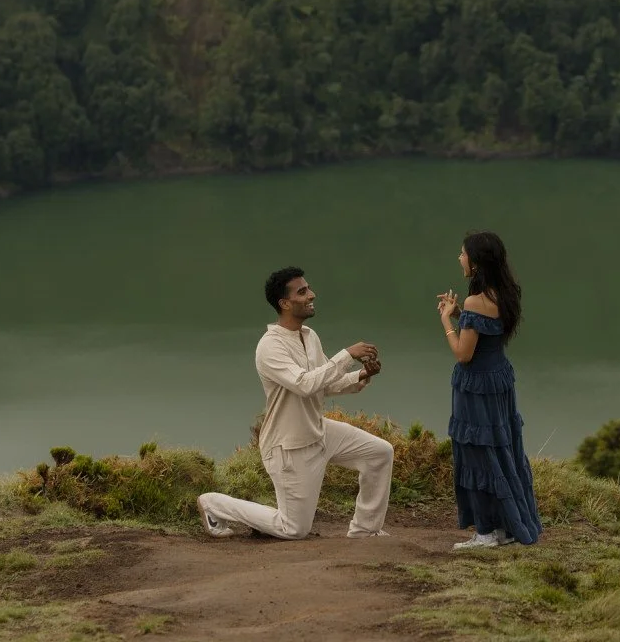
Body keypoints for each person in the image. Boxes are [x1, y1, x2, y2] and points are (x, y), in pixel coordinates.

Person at [196, 266, 393, 540]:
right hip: (289, 446)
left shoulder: (309, 336)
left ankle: (365, 530)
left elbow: (326, 383)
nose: (311, 294)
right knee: (293, 529)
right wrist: (347, 354)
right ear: (285, 303)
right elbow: (304, 384)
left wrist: (361, 374)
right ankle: (213, 503)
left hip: (318, 431)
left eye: (308, 288)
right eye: (302, 292)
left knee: (379, 453)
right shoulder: (269, 346)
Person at [436, 231, 542, 550]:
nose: (460, 258)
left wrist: (446, 320)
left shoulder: (475, 301)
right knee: (501, 449)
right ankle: (506, 526)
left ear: (477, 262)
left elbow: (464, 354)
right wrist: (461, 314)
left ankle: (485, 532)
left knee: (477, 453)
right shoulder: (504, 294)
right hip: (499, 381)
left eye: (463, 253)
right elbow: (487, 329)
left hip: (477, 386)